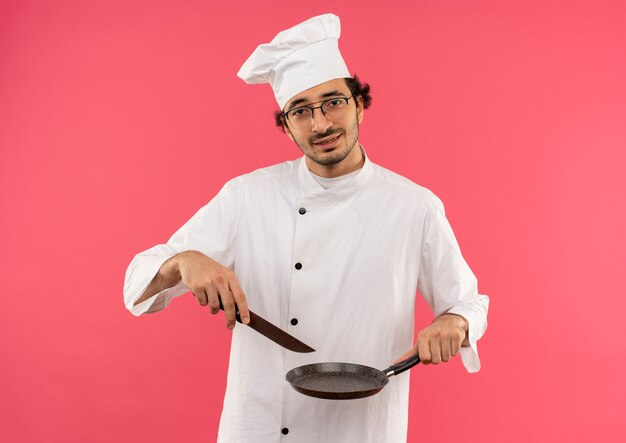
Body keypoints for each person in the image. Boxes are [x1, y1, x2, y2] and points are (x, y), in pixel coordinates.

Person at [124, 13, 489, 443]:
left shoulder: (415, 206)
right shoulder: (248, 197)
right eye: (300, 111)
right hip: (257, 428)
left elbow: (467, 303)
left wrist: (456, 323)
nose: (320, 124)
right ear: (286, 124)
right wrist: (185, 262)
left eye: (333, 102)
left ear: (359, 104)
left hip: (361, 430)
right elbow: (136, 283)